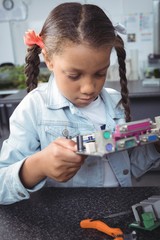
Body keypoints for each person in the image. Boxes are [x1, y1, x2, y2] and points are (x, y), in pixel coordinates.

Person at [0, 2, 160, 205]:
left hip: (120, 211)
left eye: (100, 73)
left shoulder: (114, 101)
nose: (89, 88)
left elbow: (129, 166)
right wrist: (37, 166)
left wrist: (156, 146)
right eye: (74, 75)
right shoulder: (33, 108)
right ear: (48, 60)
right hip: (65, 220)